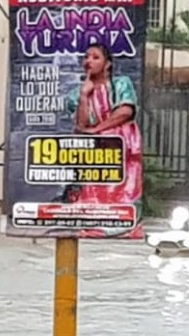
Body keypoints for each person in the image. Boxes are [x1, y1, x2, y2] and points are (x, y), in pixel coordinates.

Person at [65, 43, 142, 211]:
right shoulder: (75, 95)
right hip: (94, 154)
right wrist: (84, 95)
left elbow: (125, 111)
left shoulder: (121, 84)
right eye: (86, 57)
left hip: (122, 150)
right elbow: (81, 125)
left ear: (107, 64)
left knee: (122, 194)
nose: (88, 61)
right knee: (92, 192)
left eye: (95, 57)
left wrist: (97, 129)